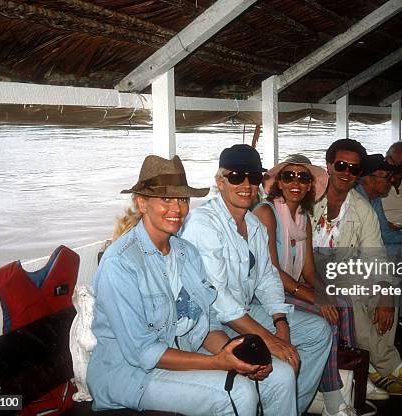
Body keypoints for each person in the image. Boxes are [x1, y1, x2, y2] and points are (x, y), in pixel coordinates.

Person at [87, 155, 282, 415]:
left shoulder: (186, 252)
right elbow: (145, 353)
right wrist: (218, 363)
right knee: (237, 392)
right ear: (142, 203)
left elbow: (207, 324)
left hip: (180, 353)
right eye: (165, 199)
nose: (177, 208)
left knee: (278, 376)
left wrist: (232, 355)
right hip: (131, 376)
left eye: (182, 199)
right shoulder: (120, 265)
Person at [181, 144, 331, 415]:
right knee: (281, 367)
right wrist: (271, 340)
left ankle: (289, 406)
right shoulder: (204, 224)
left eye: (253, 176)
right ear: (220, 182)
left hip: (244, 311)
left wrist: (280, 321)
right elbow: (219, 299)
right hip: (209, 321)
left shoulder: (254, 225)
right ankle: (278, 397)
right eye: (237, 176)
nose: (246, 184)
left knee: (318, 331)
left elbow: (267, 278)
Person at [310, 139, 402, 402]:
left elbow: (376, 254)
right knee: (352, 296)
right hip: (305, 273)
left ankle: (374, 366)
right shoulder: (309, 197)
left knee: (381, 293)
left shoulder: (361, 208)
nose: (347, 173)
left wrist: (386, 295)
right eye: (341, 166)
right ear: (329, 166)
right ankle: (393, 366)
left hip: (338, 268)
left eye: (353, 169)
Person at [253, 154, 360, 415]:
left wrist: (324, 293)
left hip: (289, 289)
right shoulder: (266, 213)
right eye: (288, 176)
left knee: (342, 303)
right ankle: (334, 396)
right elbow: (272, 271)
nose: (295, 183)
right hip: (266, 295)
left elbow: (309, 270)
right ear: (278, 182)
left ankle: (341, 379)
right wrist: (314, 298)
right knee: (325, 317)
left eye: (303, 177)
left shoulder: (303, 218)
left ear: (311, 185)